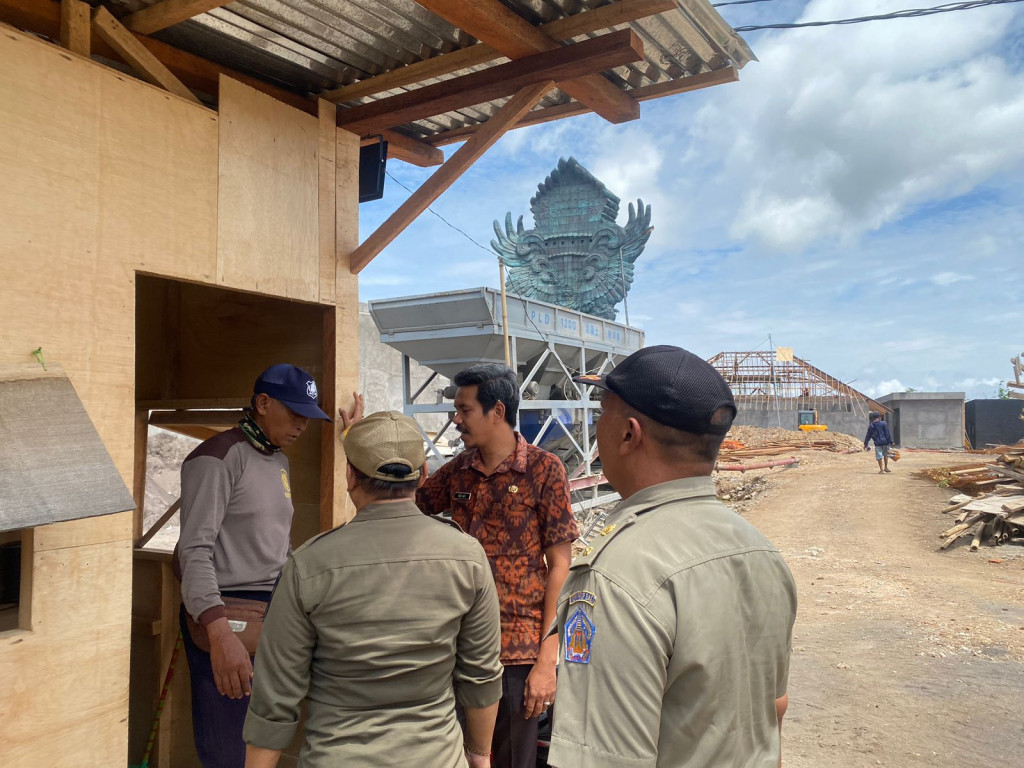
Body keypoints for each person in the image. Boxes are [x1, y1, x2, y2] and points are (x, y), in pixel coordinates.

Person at [548, 345, 798, 768]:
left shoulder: (617, 574)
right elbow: (773, 709)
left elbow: (604, 757)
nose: (596, 429)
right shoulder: (761, 551)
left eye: (600, 414)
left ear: (629, 433)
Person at [242, 411, 503, 768]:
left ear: (349, 476)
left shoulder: (309, 565)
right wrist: (478, 756)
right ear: (423, 475)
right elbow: (481, 676)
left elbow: (274, 700)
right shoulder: (468, 557)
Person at [413, 363, 579, 768]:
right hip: (457, 644)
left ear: (497, 412)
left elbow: (560, 566)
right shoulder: (459, 470)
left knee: (509, 760)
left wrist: (547, 659)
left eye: (465, 410)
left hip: (516, 653)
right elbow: (408, 504)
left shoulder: (544, 470)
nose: (456, 420)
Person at [176, 364, 332, 768]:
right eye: (294, 413)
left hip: (272, 613)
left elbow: (276, 544)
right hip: (228, 616)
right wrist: (219, 633)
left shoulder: (277, 459)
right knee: (229, 746)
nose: (302, 425)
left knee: (263, 741)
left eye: (308, 417)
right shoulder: (216, 458)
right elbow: (193, 551)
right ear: (262, 403)